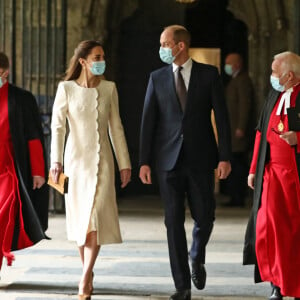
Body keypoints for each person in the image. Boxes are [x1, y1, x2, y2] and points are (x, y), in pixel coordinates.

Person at [139, 25, 232, 300]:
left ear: (180, 46)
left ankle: (196, 254)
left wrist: (225, 156)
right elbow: (148, 122)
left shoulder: (208, 75)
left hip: (201, 159)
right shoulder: (156, 78)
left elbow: (223, 118)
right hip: (168, 161)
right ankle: (182, 285)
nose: (161, 48)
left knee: (205, 216)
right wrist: (143, 161)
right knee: (173, 222)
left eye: (165, 43)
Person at [50, 40, 131, 300]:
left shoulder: (109, 88)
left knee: (95, 216)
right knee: (81, 222)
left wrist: (124, 163)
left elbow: (116, 127)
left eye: (103, 56)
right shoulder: (66, 89)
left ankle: (85, 276)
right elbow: (58, 128)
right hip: (75, 163)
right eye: (97, 56)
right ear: (83, 61)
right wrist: (56, 162)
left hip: (104, 162)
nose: (101, 60)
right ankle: (88, 268)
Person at [243, 51, 300, 300]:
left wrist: (298, 138)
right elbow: (260, 132)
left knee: (293, 231)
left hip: (295, 176)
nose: (271, 77)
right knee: (268, 229)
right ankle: (275, 282)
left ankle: (294, 284)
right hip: (271, 175)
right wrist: (254, 167)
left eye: (275, 73)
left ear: (289, 75)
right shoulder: (274, 95)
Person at [0, 52, 49, 271]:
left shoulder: (21, 98)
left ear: (5, 72)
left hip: (9, 170)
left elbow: (33, 137)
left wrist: (38, 171)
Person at [221, 53, 254, 207]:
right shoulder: (235, 80)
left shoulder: (242, 81)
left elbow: (244, 106)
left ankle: (238, 197)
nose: (227, 66)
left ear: (237, 64)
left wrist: (241, 127)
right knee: (234, 164)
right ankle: (234, 196)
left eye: (229, 63)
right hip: (233, 130)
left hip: (237, 132)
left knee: (238, 165)